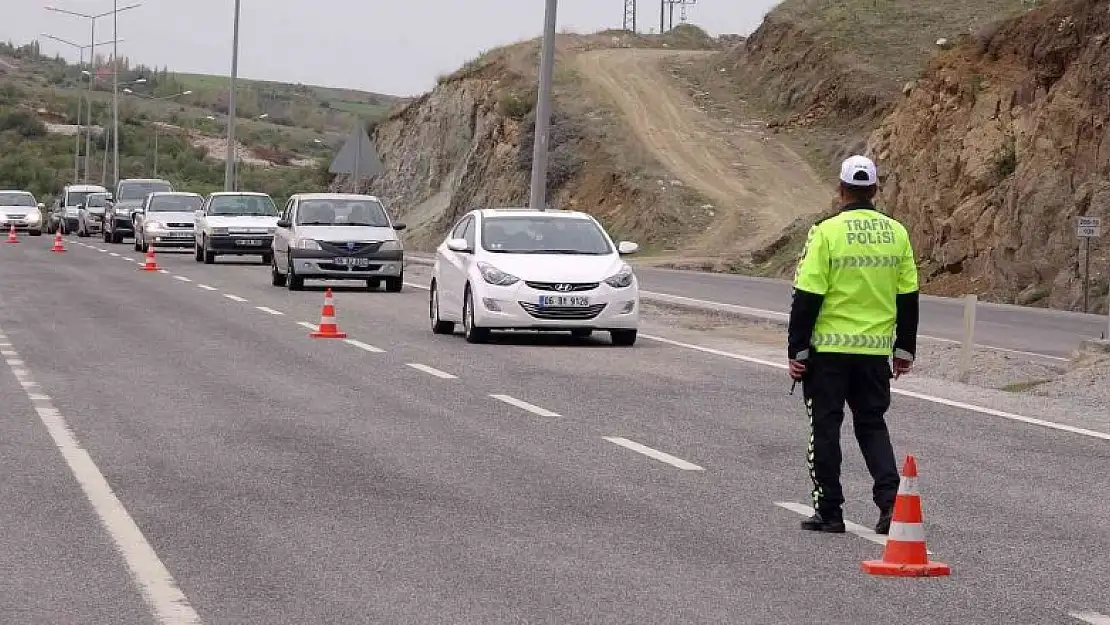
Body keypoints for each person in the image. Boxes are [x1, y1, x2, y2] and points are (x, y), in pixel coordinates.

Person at [787, 154, 921, 535]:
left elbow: (807, 294)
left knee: (825, 429)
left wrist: (797, 351)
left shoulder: (826, 231)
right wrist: (904, 348)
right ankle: (891, 505)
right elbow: (908, 295)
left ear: (841, 190)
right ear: (875, 189)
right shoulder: (897, 233)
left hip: (827, 353)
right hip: (875, 353)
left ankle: (830, 511)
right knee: (872, 425)